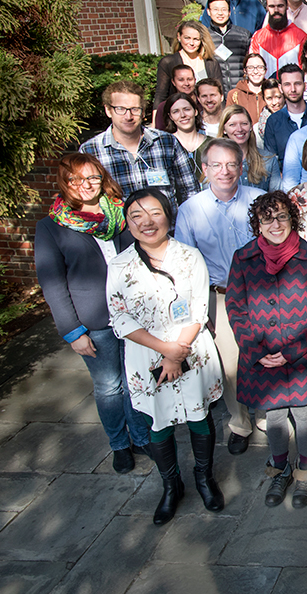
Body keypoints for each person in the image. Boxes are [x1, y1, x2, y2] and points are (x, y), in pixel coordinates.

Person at [107, 188, 225, 525]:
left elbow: (200, 308)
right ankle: (171, 485)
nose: (147, 222)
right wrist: (165, 352)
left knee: (199, 415)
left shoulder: (190, 257)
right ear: (128, 224)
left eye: (155, 213)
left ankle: (205, 478)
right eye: (137, 216)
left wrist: (177, 354)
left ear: (169, 218)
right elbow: (119, 316)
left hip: (190, 350)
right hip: (147, 358)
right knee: (158, 422)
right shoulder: (119, 265)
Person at [35, 154, 149, 473]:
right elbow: (53, 283)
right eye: (76, 180)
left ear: (102, 178)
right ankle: (119, 444)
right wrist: (73, 332)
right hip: (94, 323)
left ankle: (141, 437)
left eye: (92, 178)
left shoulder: (123, 213)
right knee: (109, 386)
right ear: (65, 183)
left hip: (133, 316)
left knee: (134, 381)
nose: (85, 186)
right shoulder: (52, 227)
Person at [226, 191, 307, 507]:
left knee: (303, 414)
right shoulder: (243, 258)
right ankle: (280, 468)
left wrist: (291, 351)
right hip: (260, 354)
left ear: (292, 218)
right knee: (273, 416)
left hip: (302, 354)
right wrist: (254, 349)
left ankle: (305, 471)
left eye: (282, 216)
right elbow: (235, 305)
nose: (276, 224)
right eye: (267, 218)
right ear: (257, 224)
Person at [174, 139, 264, 455]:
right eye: (216, 165)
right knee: (231, 364)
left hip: (261, 293)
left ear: (241, 167)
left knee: (264, 355)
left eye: (231, 164)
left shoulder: (259, 200)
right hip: (221, 297)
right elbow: (185, 264)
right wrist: (199, 312)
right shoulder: (190, 210)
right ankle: (240, 422)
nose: (224, 172)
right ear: (204, 170)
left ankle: (266, 413)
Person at [82, 81, 200, 206]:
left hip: (166, 224)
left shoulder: (167, 143)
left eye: (135, 109)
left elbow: (190, 191)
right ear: (108, 110)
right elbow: (86, 200)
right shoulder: (91, 151)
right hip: (119, 225)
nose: (128, 116)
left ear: (143, 112)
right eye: (120, 109)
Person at [154, 21, 223, 109]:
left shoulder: (211, 63)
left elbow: (219, 93)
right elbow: (160, 95)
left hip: (207, 114)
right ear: (179, 37)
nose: (191, 43)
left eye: (196, 39)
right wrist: (155, 121)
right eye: (187, 38)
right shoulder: (168, 62)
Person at [249, 0, 307, 79]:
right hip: (267, 90)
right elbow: (253, 69)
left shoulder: (301, 37)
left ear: (287, 6)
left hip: (292, 90)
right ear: (267, 7)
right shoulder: (258, 37)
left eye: (280, 6)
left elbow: (305, 71)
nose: (276, 10)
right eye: (272, 6)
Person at [219, 105, 280, 191]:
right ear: (224, 129)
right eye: (232, 125)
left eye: (244, 123)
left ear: (251, 126)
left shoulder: (268, 160)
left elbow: (277, 197)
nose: (239, 129)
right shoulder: (215, 162)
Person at [202, 0, 253, 95]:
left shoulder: (243, 35)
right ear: (208, 12)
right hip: (216, 93)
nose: (220, 13)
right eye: (215, 9)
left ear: (229, 12)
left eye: (224, 9)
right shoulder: (204, 37)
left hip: (241, 91)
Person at [264, 65, 307, 162]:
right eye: (287, 84)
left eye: (297, 84)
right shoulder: (274, 121)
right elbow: (271, 160)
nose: (293, 89)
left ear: (305, 86)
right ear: (280, 87)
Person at [161, 92, 211, 183]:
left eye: (187, 109)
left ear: (195, 111)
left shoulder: (212, 144)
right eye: (176, 111)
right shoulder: (165, 146)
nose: (183, 115)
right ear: (170, 116)